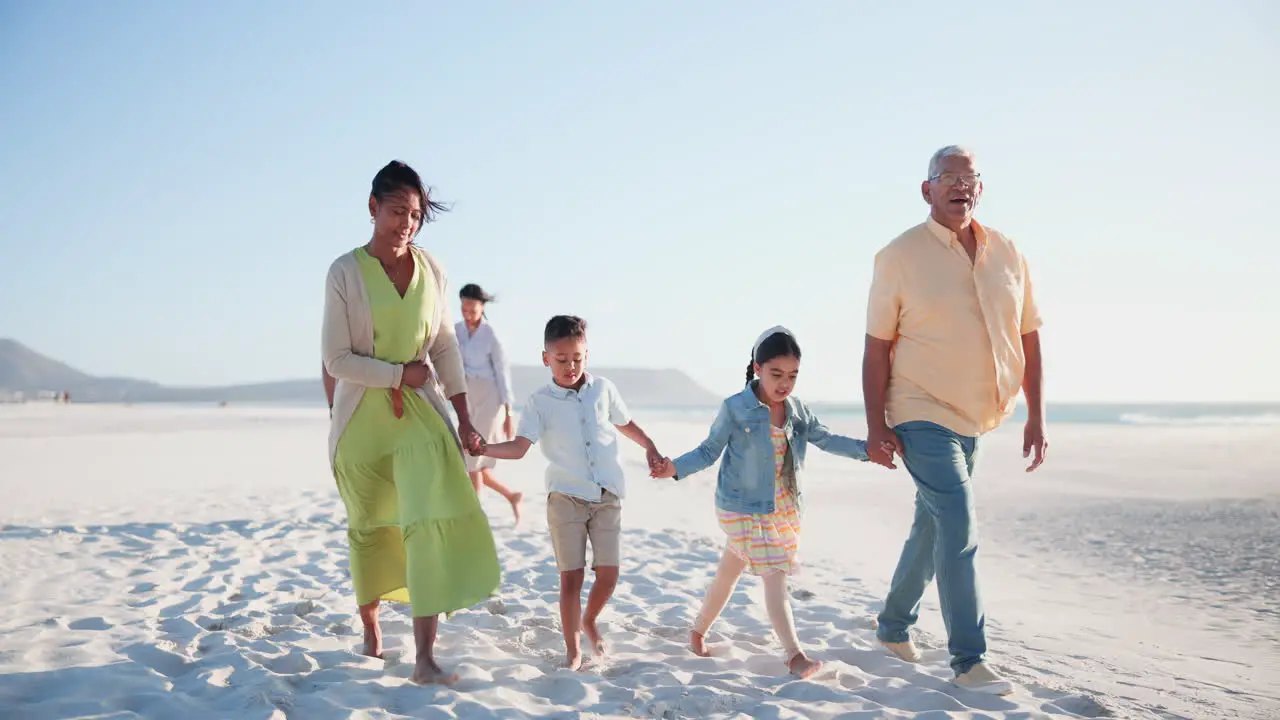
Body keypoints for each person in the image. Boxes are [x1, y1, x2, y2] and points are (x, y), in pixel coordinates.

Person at [863, 145, 1047, 695]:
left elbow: (1029, 335)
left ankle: (893, 627)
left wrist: (1036, 414)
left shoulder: (1008, 251)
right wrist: (877, 426)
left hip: (978, 415)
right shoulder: (897, 256)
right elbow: (876, 349)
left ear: (980, 188)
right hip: (920, 409)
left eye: (969, 178)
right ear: (927, 190)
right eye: (947, 177)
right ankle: (970, 659)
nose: (959, 186)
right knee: (959, 524)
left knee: (932, 523)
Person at [321, 160, 502, 685]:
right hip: (360, 419)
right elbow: (336, 359)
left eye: (416, 215)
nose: (406, 223)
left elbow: (444, 345)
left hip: (421, 414)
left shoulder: (434, 270)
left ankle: (425, 658)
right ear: (373, 207)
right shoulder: (345, 272)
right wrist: (400, 373)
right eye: (398, 211)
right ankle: (373, 633)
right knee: (372, 527)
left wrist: (465, 415)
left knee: (426, 524)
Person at [652, 327, 874, 679]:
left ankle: (697, 631)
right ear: (757, 368)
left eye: (792, 376)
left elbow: (826, 438)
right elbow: (709, 450)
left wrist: (867, 450)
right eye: (776, 374)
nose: (784, 383)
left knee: (729, 571)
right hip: (741, 506)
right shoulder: (736, 408)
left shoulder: (797, 411)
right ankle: (794, 655)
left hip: (781, 506)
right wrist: (673, 469)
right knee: (775, 574)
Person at [472, 315, 664, 670]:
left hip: (607, 494)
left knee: (609, 574)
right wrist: (484, 448)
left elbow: (625, 423)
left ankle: (589, 619)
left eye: (577, 358)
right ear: (546, 359)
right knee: (571, 578)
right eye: (561, 360)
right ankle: (573, 650)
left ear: (586, 354)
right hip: (565, 498)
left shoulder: (604, 389)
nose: (570, 366)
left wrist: (649, 445)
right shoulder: (539, 402)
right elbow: (518, 446)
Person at [456, 283, 524, 524]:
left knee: (473, 452)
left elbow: (502, 373)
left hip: (489, 399)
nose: (467, 311)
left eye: (471, 307)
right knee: (475, 459)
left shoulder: (491, 334)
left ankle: (476, 509)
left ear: (482, 306)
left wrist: (508, 413)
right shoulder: (456, 331)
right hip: (465, 397)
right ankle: (511, 495)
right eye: (463, 306)